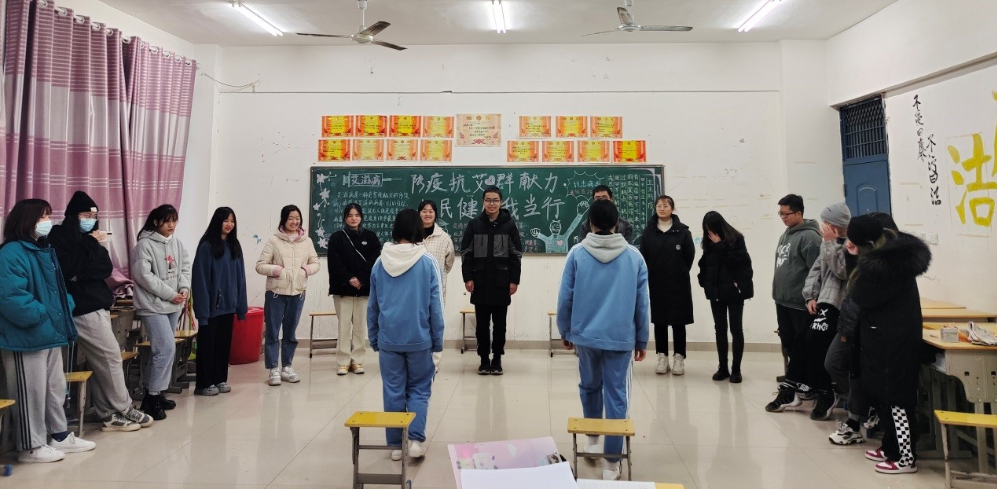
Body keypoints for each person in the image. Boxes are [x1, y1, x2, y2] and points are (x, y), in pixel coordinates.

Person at [556, 199, 649, 481]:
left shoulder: (577, 253)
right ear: (617, 223)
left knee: (589, 386)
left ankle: (593, 441)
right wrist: (642, 339)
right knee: (617, 395)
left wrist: (565, 330)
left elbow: (565, 296)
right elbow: (642, 303)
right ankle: (611, 464)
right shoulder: (634, 256)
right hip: (620, 338)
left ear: (590, 224)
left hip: (585, 336)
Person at [0, 199, 97, 462]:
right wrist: (41, 315)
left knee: (54, 387)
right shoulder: (11, 252)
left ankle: (59, 435)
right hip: (26, 336)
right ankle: (30, 446)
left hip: (50, 332)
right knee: (29, 392)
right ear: (26, 220)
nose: (47, 222)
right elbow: (10, 297)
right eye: (42, 216)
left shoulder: (42, 249)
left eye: (48, 216)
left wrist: (65, 307)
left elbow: (57, 289)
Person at [49, 191, 153, 431]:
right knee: (110, 357)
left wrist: (83, 270)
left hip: (99, 304)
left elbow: (104, 268)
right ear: (73, 215)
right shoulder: (59, 236)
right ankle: (124, 407)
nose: (91, 220)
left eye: (94, 216)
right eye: (86, 215)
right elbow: (67, 270)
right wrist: (87, 249)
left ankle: (108, 414)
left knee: (101, 362)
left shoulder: (91, 238)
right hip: (81, 308)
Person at [839, 215, 930, 474]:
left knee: (896, 400)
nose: (849, 246)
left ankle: (905, 457)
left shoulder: (885, 266)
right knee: (882, 396)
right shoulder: (887, 256)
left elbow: (859, 294)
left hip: (894, 342)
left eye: (853, 243)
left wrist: (854, 259)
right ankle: (890, 446)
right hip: (881, 338)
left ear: (866, 244)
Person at [367, 209, 444, 461]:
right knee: (420, 389)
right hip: (420, 339)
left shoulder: (380, 262)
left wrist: (374, 337)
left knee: (393, 390)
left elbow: (373, 305)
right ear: (418, 230)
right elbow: (436, 307)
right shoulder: (427, 261)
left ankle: (395, 445)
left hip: (389, 339)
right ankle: (415, 441)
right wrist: (438, 342)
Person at [132, 204, 191, 420]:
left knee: (164, 350)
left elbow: (185, 269)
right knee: (165, 349)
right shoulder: (144, 245)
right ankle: (153, 396)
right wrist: (170, 294)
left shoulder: (177, 244)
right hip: (152, 306)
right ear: (156, 222)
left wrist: (183, 289)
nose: (171, 225)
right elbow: (144, 277)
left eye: (174, 220)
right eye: (167, 221)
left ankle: (154, 393)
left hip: (173, 304)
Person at [765, 194, 821, 412]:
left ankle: (804, 384)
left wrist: (811, 297)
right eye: (780, 213)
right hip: (783, 300)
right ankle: (798, 381)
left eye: (786, 214)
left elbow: (817, 272)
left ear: (799, 213)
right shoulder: (786, 234)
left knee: (801, 346)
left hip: (800, 303)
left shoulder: (811, 238)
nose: (783, 217)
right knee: (789, 343)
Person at [460, 186, 523, 375]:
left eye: (495, 200)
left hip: (502, 283)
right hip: (479, 283)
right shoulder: (474, 225)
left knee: (500, 325)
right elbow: (466, 253)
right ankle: (483, 360)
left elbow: (516, 255)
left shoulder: (509, 225)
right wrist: (468, 278)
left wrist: (514, 281)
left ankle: (496, 359)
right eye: (488, 200)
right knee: (482, 326)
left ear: (501, 202)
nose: (491, 203)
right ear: (483, 202)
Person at [797, 202, 851, 420]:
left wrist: (830, 242)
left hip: (840, 304)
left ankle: (828, 393)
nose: (823, 226)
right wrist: (810, 296)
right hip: (823, 300)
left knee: (817, 341)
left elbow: (841, 271)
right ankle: (818, 389)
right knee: (804, 338)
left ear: (836, 224)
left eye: (827, 222)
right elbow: (816, 270)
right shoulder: (827, 242)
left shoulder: (851, 243)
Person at [255, 204, 320, 386]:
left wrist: (305, 271)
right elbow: (260, 265)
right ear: (284, 220)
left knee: (290, 332)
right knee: (273, 332)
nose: (294, 221)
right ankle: (273, 368)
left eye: (297, 218)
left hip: (297, 293)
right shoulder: (274, 240)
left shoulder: (307, 241)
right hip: (276, 294)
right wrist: (278, 270)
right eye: (291, 218)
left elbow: (315, 262)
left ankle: (287, 367)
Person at [191, 207, 248, 396]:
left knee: (223, 345)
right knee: (208, 346)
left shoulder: (234, 245)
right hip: (211, 309)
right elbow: (200, 280)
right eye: (226, 221)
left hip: (228, 307)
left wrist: (241, 307)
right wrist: (202, 312)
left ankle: (219, 379)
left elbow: (241, 278)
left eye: (232, 221)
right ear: (218, 222)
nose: (229, 224)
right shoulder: (207, 246)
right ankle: (203, 384)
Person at [639, 195, 694, 376]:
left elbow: (689, 256)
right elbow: (644, 257)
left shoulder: (683, 232)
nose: (662, 209)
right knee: (660, 321)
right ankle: (662, 356)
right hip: (657, 283)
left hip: (678, 283)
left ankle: (679, 357)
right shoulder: (649, 232)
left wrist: (679, 271)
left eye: (666, 206)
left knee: (679, 321)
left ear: (672, 208)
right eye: (659, 206)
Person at [697, 211, 753, 384]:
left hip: (734, 292)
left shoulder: (736, 238)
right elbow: (705, 264)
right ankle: (723, 367)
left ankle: (736, 369)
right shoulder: (708, 242)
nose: (709, 232)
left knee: (736, 329)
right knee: (720, 329)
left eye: (711, 229)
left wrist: (720, 244)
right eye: (706, 229)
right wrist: (703, 281)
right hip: (716, 292)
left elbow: (738, 262)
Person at [327, 203, 381, 376]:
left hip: (363, 289)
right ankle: (343, 362)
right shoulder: (336, 238)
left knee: (359, 327)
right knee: (343, 326)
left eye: (357, 215)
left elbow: (374, 260)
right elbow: (335, 263)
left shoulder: (371, 237)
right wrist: (350, 278)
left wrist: (361, 279)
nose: (353, 218)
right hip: (343, 289)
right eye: (350, 215)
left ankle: (357, 360)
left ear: (361, 217)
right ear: (345, 218)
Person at [419, 200, 454, 373]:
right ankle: (418, 359)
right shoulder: (411, 235)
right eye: (424, 211)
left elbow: (449, 262)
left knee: (435, 325)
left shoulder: (444, 237)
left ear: (435, 214)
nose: (427, 214)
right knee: (418, 325)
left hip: (436, 289)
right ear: (419, 214)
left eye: (431, 211)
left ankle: (434, 362)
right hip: (415, 290)